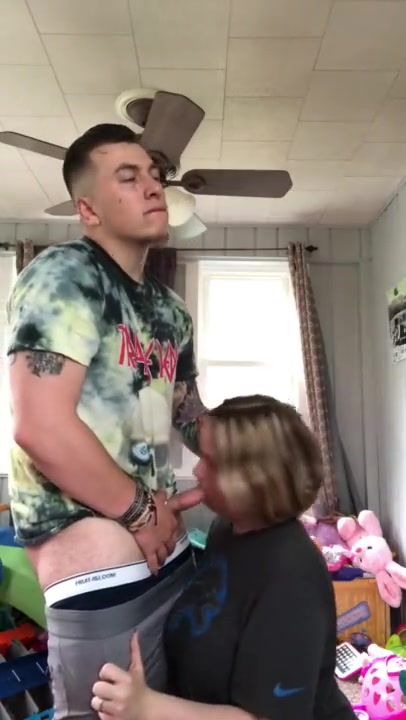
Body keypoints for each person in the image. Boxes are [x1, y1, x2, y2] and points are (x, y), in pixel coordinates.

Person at [6, 123, 206, 720]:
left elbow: (188, 414)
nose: (154, 186)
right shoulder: (65, 275)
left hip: (168, 551)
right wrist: (142, 514)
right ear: (87, 208)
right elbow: (41, 426)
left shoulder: (170, 310)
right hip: (100, 562)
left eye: (155, 175)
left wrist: (265, 456)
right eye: (129, 176)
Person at [92, 395, 356, 720]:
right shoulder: (226, 530)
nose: (197, 471)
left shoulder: (292, 575)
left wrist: (146, 707)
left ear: (251, 478)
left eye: (210, 461)